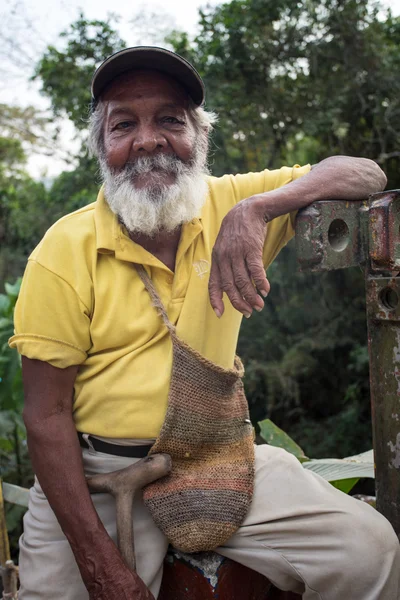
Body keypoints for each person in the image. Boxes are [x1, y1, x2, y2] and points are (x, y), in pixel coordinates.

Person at [9, 46, 399, 600]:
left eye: (170, 119)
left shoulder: (231, 202)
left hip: (217, 452)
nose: (148, 140)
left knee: (372, 553)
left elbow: (364, 172)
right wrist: (100, 565)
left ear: (199, 136)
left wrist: (258, 210)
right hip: (96, 474)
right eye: (124, 125)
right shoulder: (63, 251)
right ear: (102, 147)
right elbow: (45, 416)